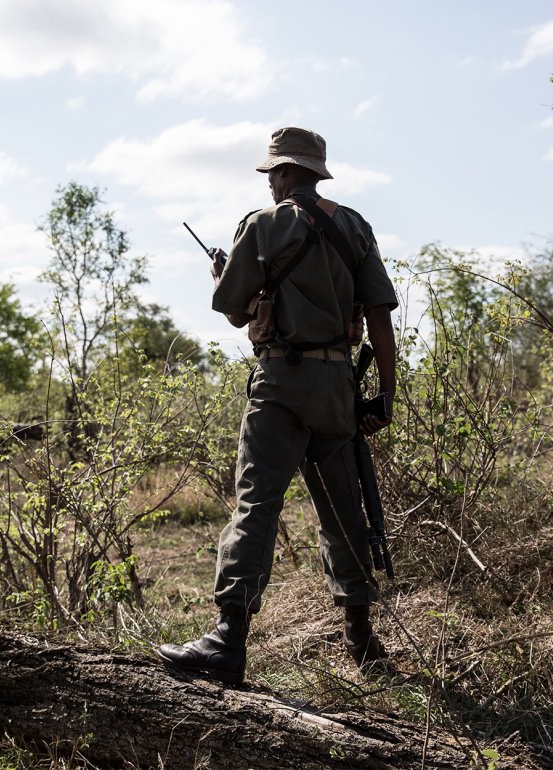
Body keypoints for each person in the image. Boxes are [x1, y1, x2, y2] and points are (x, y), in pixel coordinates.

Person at [156, 127, 398, 685]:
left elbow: (234, 309)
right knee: (345, 512)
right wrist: (385, 393)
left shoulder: (263, 226)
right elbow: (380, 315)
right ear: (317, 172)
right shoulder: (353, 225)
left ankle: (227, 640)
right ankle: (361, 641)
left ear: (286, 172)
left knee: (257, 503)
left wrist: (225, 278)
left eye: (273, 173)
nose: (270, 183)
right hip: (340, 386)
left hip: (282, 385)